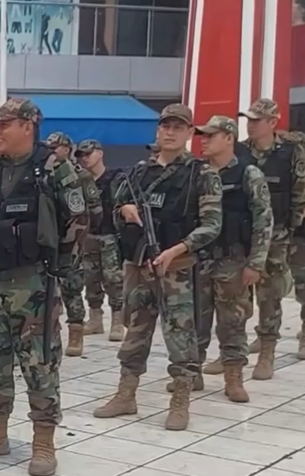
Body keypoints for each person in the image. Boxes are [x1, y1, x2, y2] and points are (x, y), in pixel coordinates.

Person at [0, 98, 89, 476]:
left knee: (39, 363)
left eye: (5, 124)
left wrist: (61, 272)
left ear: (29, 126)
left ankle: (43, 443)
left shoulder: (55, 168)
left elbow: (78, 222)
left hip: (33, 282)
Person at [93, 104, 221, 431]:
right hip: (139, 265)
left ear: (190, 133)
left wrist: (176, 249)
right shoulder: (138, 173)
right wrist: (126, 210)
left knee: (181, 334)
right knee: (135, 329)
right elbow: (113, 208)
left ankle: (180, 399)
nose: (170, 132)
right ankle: (126, 393)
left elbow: (211, 225)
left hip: (177, 268)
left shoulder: (201, 174)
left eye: (178, 127)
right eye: (166, 126)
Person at [193, 115, 272, 403]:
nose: (204, 140)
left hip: (233, 261)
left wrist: (255, 263)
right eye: (203, 135)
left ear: (229, 138)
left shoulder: (248, 174)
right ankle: (191, 373)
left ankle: (234, 377)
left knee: (233, 323)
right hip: (199, 261)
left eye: (211, 135)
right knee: (194, 321)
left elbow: (264, 221)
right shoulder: (197, 173)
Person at [238, 98, 305, 371]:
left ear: (273, 123)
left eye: (257, 120)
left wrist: (291, 230)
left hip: (280, 234)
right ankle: (235, 348)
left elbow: (300, 193)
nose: (251, 125)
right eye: (249, 120)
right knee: (240, 293)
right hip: (244, 233)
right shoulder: (240, 151)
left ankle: (268, 348)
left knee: (272, 292)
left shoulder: (291, 152)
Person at [43, 132, 101, 357]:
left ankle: (76, 332)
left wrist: (83, 235)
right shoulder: (46, 173)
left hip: (73, 238)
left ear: (66, 149)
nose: (52, 151)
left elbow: (94, 209)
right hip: (49, 236)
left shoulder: (80, 175)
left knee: (72, 286)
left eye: (56, 147)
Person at [75, 139, 126, 342]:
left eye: (88, 154)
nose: (85, 159)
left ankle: (117, 320)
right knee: (90, 279)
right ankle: (95, 319)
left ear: (100, 153)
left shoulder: (115, 179)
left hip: (110, 236)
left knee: (114, 279)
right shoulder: (80, 181)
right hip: (88, 236)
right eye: (82, 155)